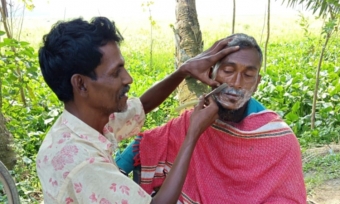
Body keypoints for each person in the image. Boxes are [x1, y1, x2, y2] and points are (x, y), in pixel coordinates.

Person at [35, 16, 240, 204]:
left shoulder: (82, 123)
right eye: (116, 73)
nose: (128, 78)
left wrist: (183, 70)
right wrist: (193, 132)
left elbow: (142, 106)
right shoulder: (83, 165)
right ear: (81, 84)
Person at [116, 33, 307, 203]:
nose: (236, 83)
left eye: (248, 75)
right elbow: (147, 144)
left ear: (257, 83)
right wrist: (116, 173)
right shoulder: (191, 122)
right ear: (210, 73)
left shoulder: (279, 140)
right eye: (228, 71)